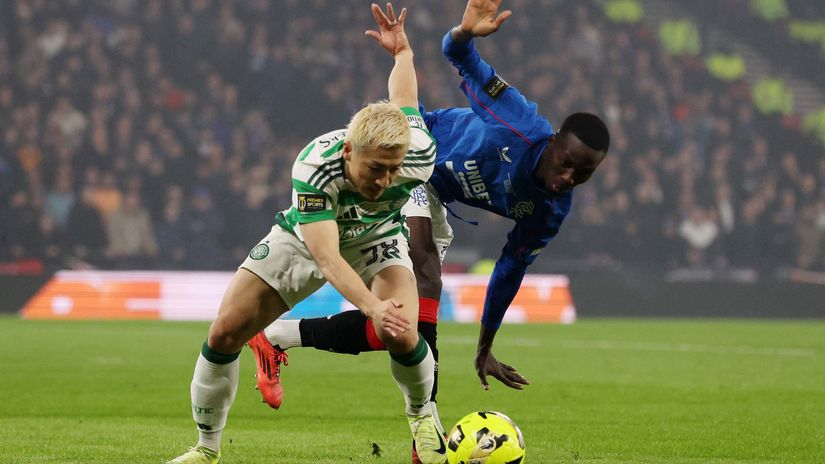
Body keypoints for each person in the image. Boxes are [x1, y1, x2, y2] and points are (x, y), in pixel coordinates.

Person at [253, 0, 610, 460]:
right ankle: (428, 430)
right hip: (413, 162)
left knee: (403, 327)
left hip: (437, 195)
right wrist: (464, 33)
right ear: (555, 141)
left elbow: (510, 268)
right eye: (566, 165)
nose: (567, 179)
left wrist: (486, 346)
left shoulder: (552, 209)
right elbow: (459, 56)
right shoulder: (519, 122)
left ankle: (280, 336)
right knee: (426, 272)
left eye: (583, 175)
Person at [166, 4, 447, 464]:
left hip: (377, 237)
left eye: (393, 170)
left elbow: (406, 101)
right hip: (308, 237)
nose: (384, 180)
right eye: (376, 168)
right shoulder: (315, 166)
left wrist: (402, 55)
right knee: (224, 333)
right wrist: (371, 305)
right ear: (350, 149)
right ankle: (206, 448)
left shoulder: (418, 155)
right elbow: (328, 259)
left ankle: (422, 415)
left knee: (402, 332)